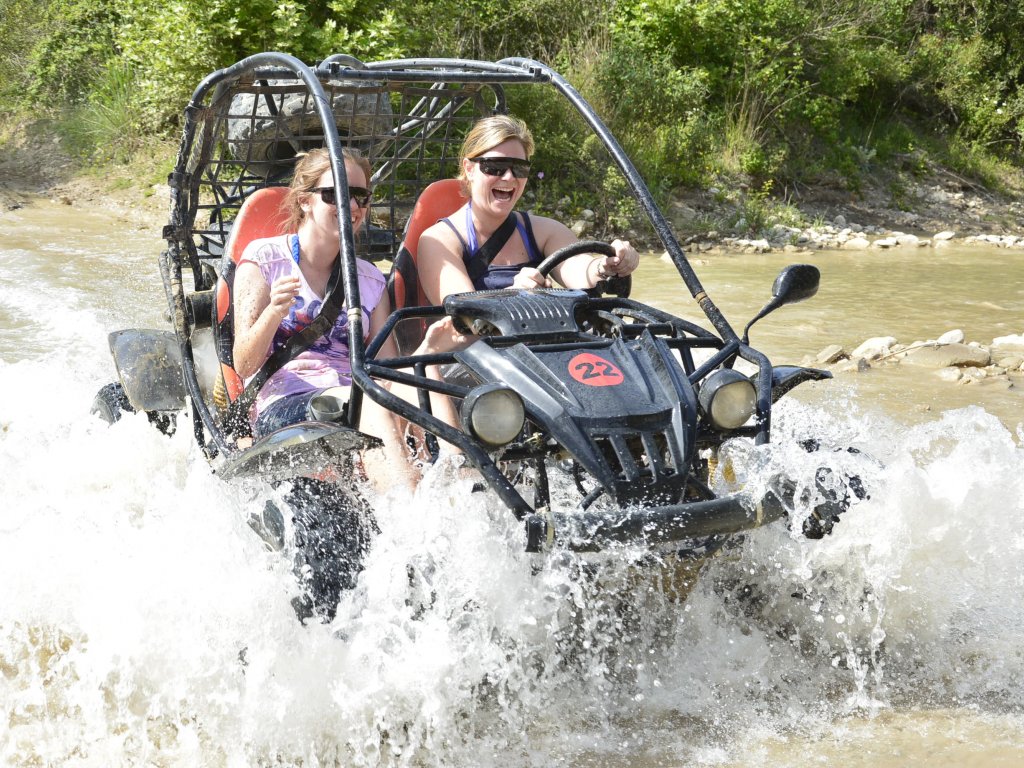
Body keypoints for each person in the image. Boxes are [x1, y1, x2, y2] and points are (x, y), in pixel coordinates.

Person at [231, 146, 419, 489]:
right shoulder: (265, 259)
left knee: (421, 394)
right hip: (285, 402)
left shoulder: (369, 278)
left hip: (355, 394)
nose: (352, 207)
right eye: (335, 195)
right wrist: (274, 311)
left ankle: (457, 489)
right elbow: (243, 363)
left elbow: (387, 364)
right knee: (373, 405)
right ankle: (409, 517)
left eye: (360, 196)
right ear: (305, 200)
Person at [416, 114, 641, 303]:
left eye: (519, 169)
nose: (508, 177)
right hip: (476, 353)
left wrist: (606, 265)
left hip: (541, 349)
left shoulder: (545, 232)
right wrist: (512, 295)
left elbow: (577, 268)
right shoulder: (438, 242)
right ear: (470, 169)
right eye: (495, 167)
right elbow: (461, 317)